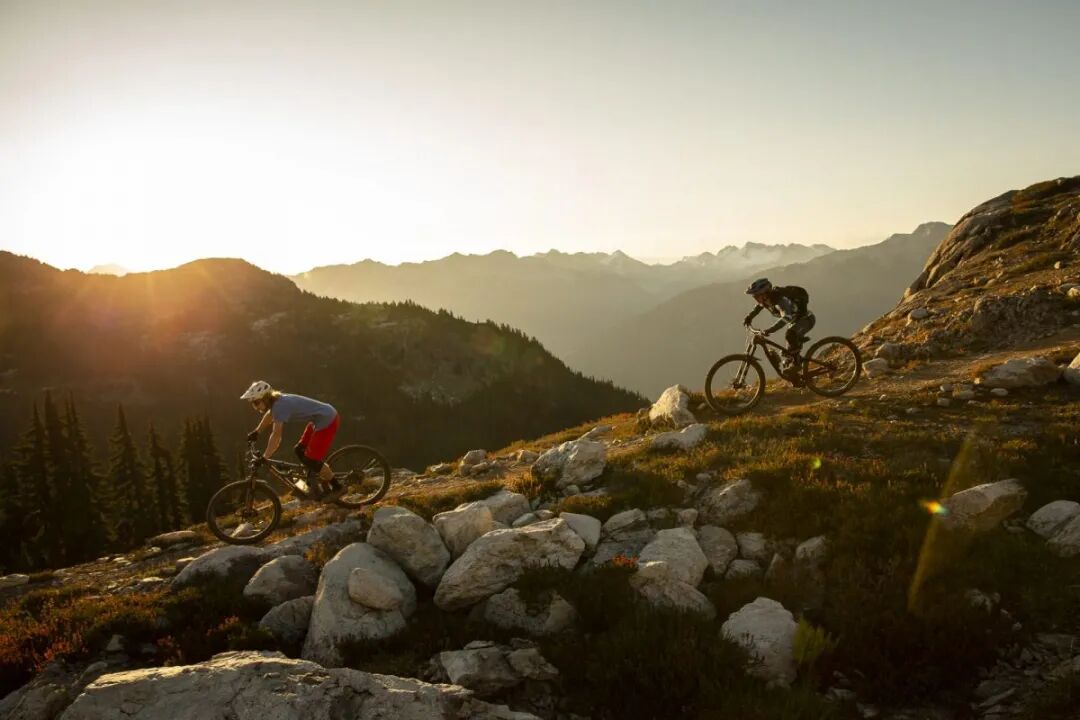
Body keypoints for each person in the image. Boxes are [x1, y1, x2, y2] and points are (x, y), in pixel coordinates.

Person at [241, 381, 343, 499]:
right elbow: (270, 415)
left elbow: (276, 436)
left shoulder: (279, 406)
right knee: (299, 450)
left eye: (256, 403)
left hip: (327, 419)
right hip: (318, 419)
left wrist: (265, 457)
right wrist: (257, 432)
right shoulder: (276, 402)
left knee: (311, 460)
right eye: (253, 404)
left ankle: (338, 487)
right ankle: (312, 482)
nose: (255, 407)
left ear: (265, 398)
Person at [742, 278, 816, 374]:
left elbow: (787, 317)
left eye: (757, 296)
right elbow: (758, 308)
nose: (756, 299)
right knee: (787, 353)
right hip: (796, 321)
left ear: (765, 293)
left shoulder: (780, 300)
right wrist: (749, 317)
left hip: (806, 320)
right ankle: (796, 373)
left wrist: (770, 330)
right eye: (754, 297)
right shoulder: (766, 300)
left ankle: (797, 365)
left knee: (790, 335)